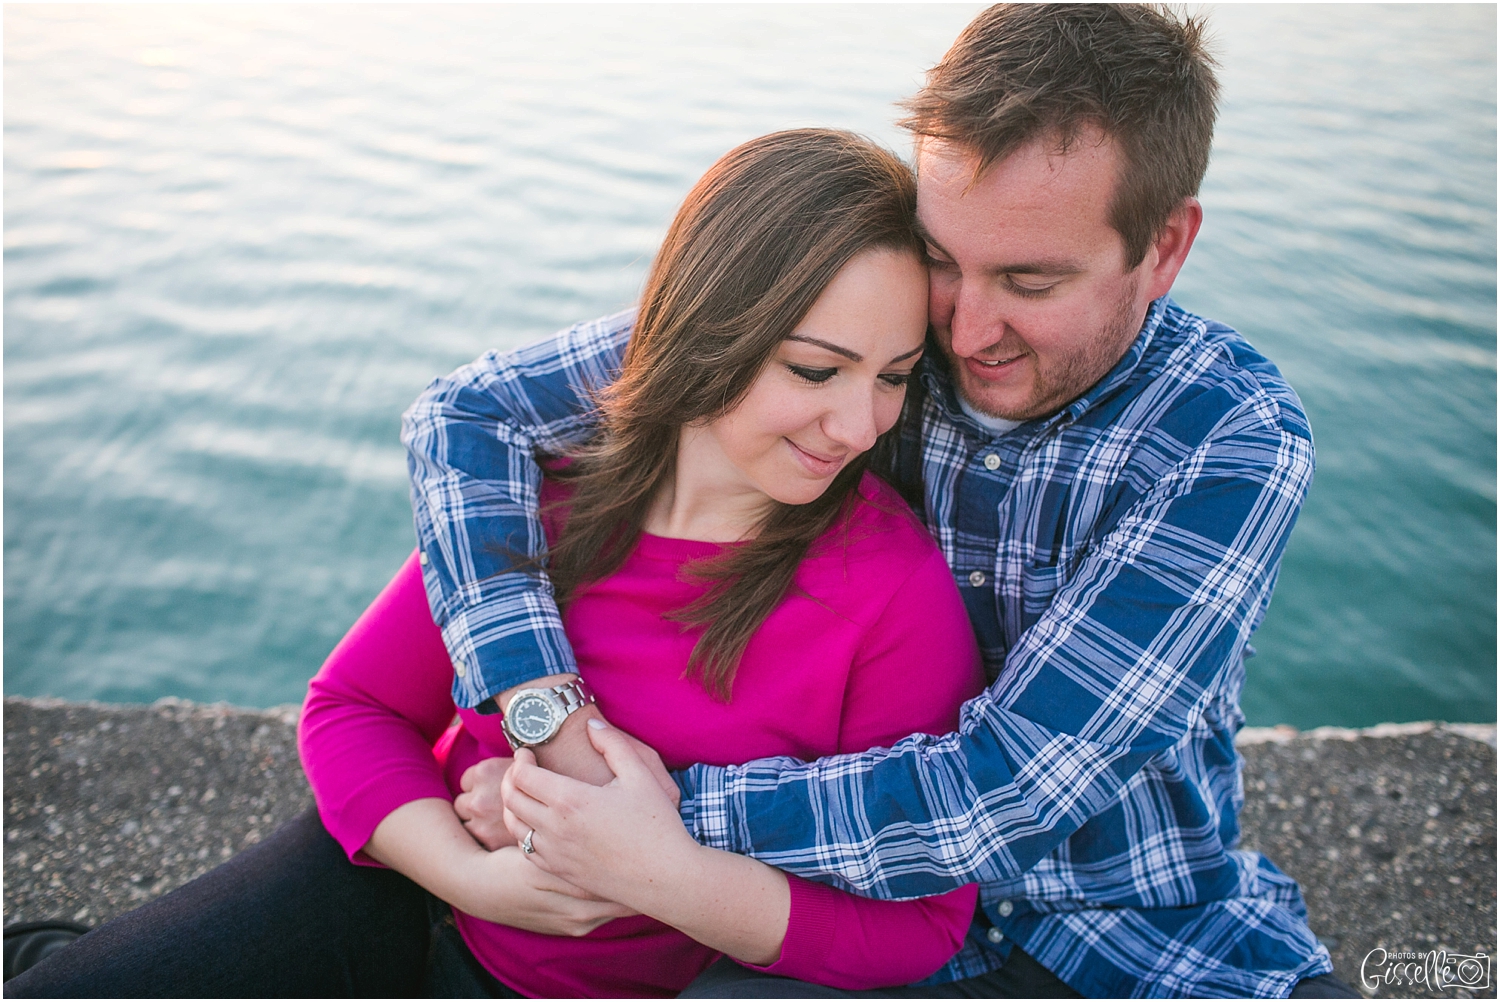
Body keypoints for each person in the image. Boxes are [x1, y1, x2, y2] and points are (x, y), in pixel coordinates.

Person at [406, 6, 1361, 999]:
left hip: (1116, 931)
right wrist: (539, 710)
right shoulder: (879, 336)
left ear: (1165, 248)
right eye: (944, 258)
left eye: (1030, 280)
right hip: (805, 908)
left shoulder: (1227, 443)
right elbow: (471, 414)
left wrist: (624, 818)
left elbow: (1008, 791)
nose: (968, 328)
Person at [5, 129, 988, 998]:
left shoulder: (891, 596)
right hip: (406, 887)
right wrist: (481, 883)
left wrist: (660, 875)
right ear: (707, 331)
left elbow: (925, 926)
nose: (861, 425)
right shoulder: (545, 489)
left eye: (895, 377)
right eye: (816, 370)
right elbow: (356, 711)